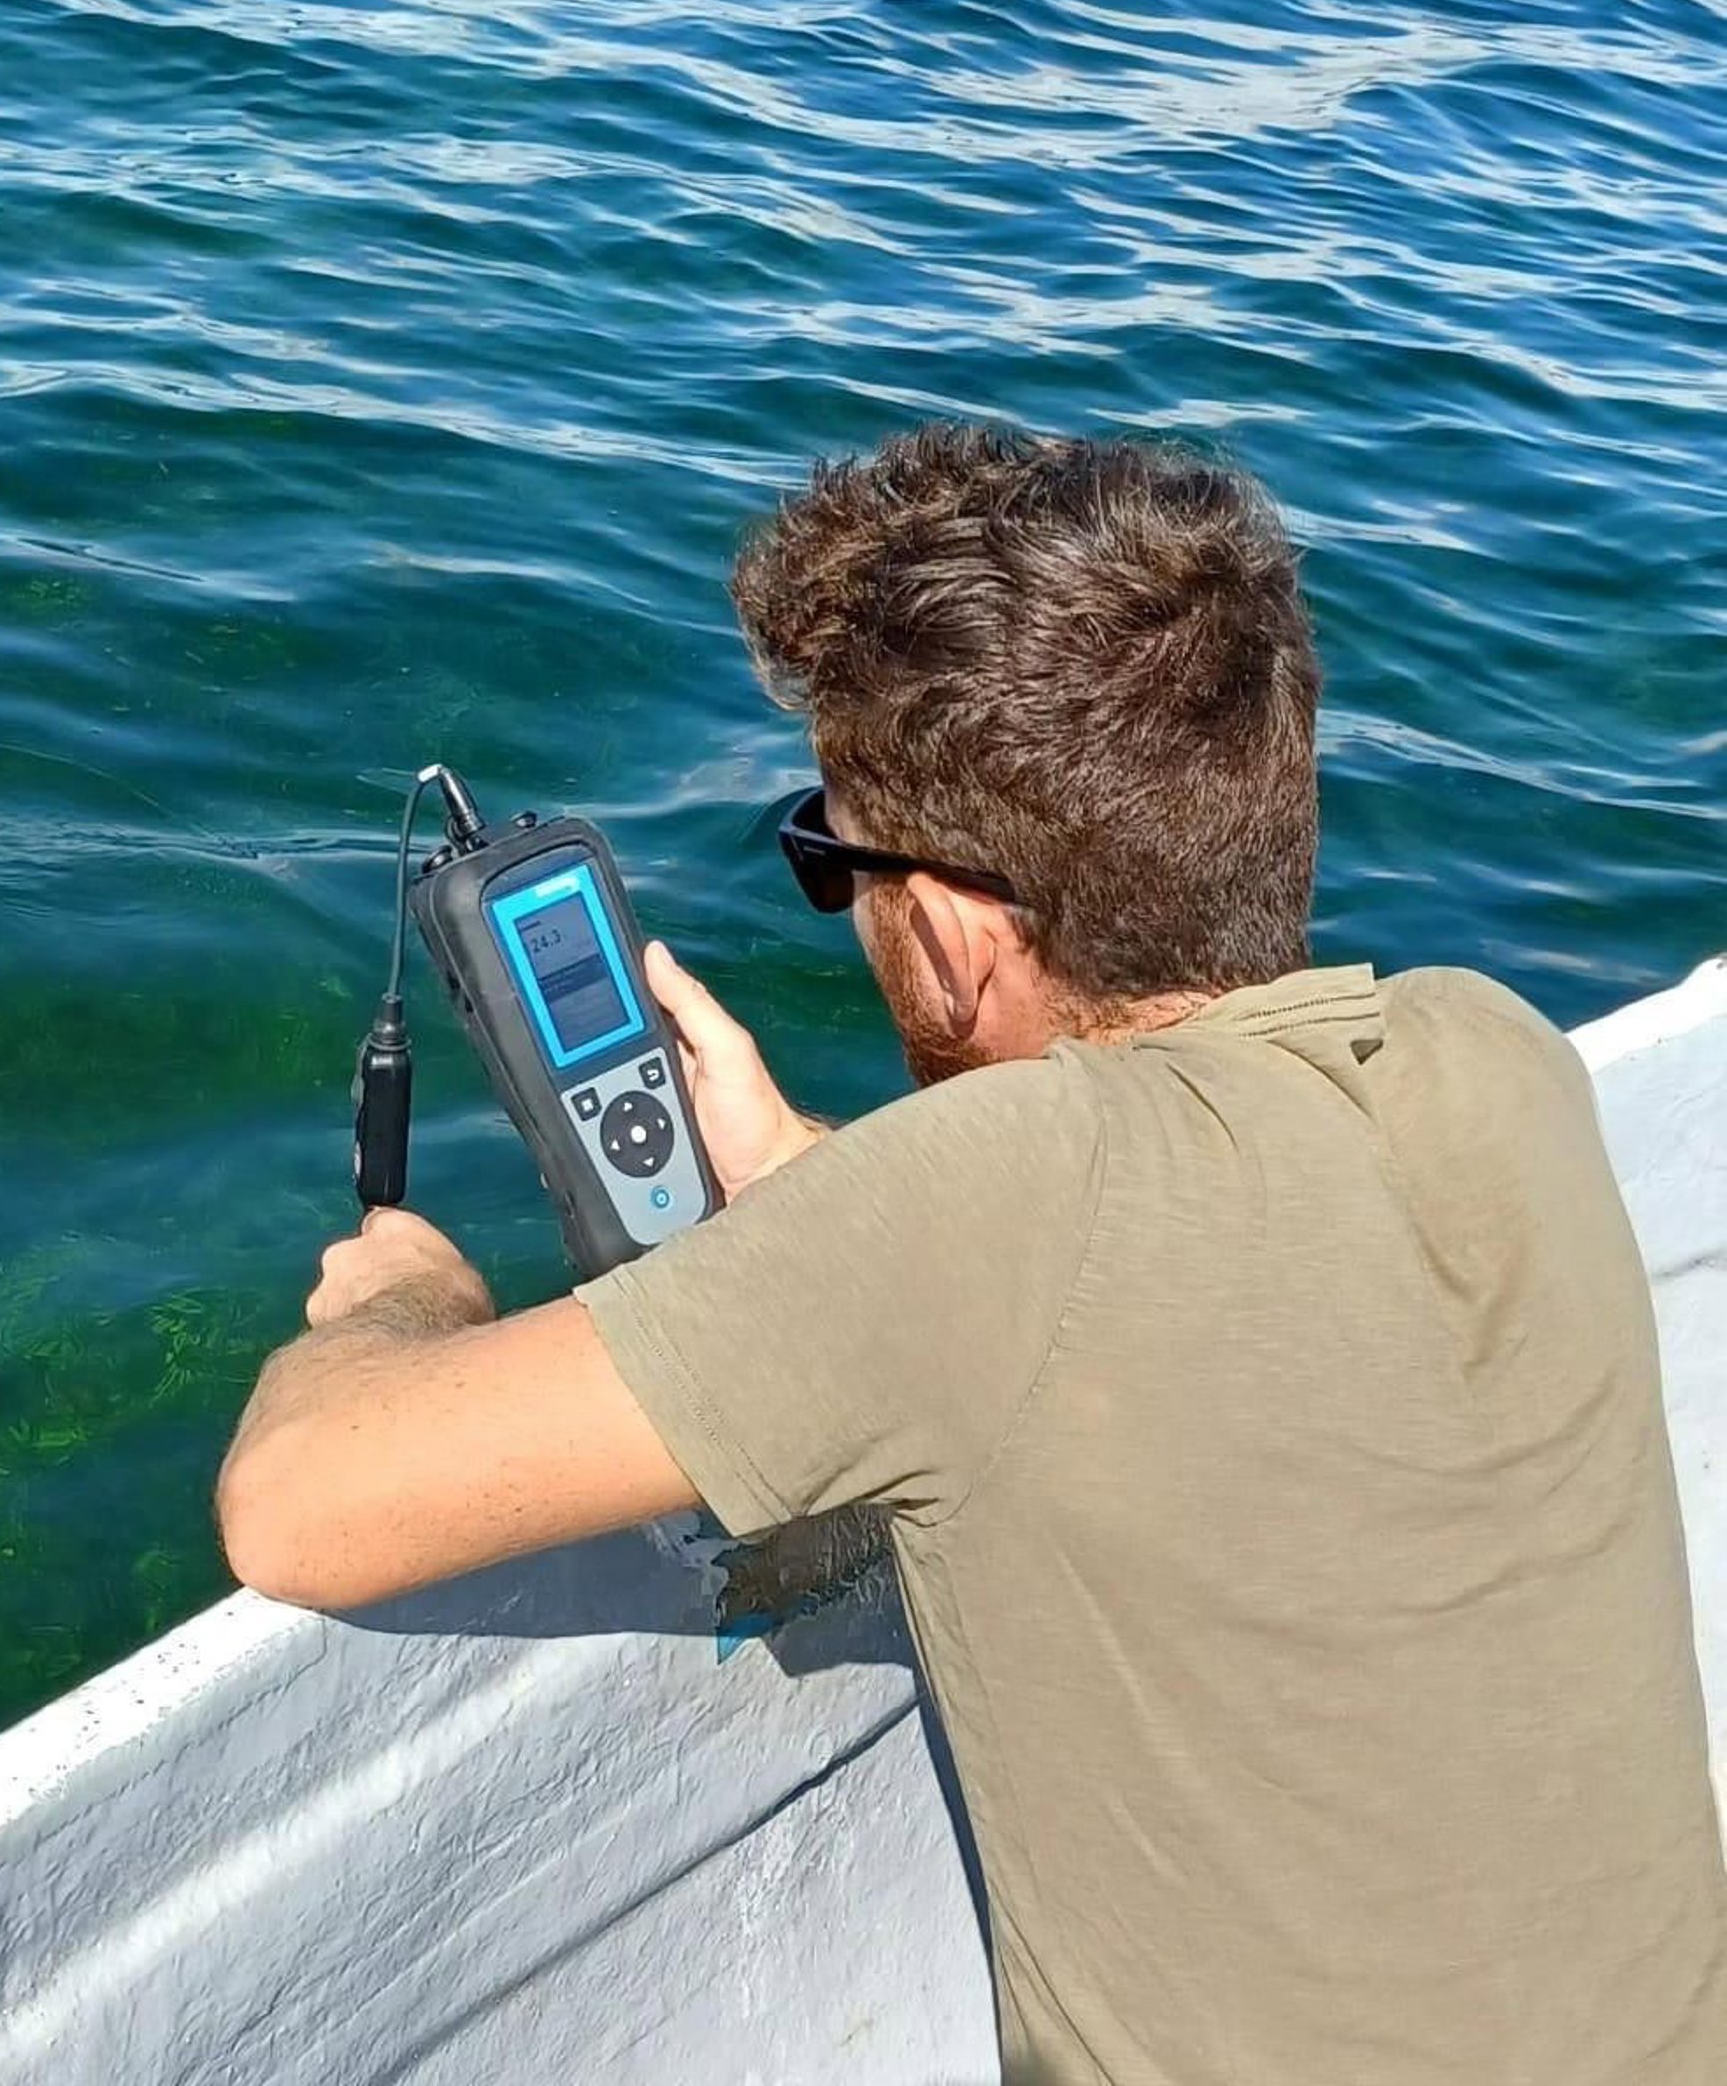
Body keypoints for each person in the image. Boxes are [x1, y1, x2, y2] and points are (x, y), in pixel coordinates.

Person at [217, 424, 1726, 2086]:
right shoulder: (1490, 1052)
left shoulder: (977, 1221)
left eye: (831, 866)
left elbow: (298, 1501)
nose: (847, 910)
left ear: (945, 935)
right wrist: (809, 1177)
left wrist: (407, 1298)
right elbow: (1144, 1261)